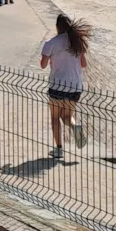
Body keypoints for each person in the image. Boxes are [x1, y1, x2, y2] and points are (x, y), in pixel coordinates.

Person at [40, 13, 91, 160]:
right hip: (75, 86)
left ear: (57, 27)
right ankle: (75, 127)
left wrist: (50, 59)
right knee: (67, 116)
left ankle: (59, 149)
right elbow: (84, 64)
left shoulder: (51, 43)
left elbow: (43, 65)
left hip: (57, 85)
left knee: (55, 117)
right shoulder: (77, 42)